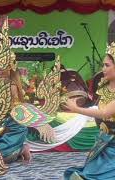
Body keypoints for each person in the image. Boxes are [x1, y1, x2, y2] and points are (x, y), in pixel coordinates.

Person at [63, 42, 115, 180]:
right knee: (90, 174)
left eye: (107, 65)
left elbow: (105, 113)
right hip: (105, 142)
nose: (103, 68)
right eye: (103, 65)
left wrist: (76, 109)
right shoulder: (105, 87)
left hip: (113, 146)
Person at [0, 64, 31, 163]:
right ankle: (17, 151)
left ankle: (21, 149)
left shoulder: (12, 85)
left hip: (13, 123)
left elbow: (14, 105)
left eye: (0, 69)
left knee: (0, 158)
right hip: (2, 121)